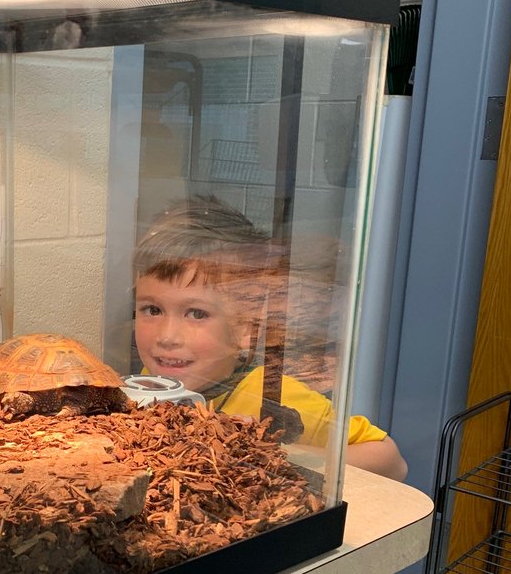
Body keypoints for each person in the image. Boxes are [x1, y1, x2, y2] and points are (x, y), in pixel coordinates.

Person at [132, 197, 408, 481]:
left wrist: (276, 455)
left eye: (197, 314)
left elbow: (390, 460)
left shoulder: (271, 394)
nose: (166, 337)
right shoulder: (153, 380)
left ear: (246, 329)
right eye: (152, 310)